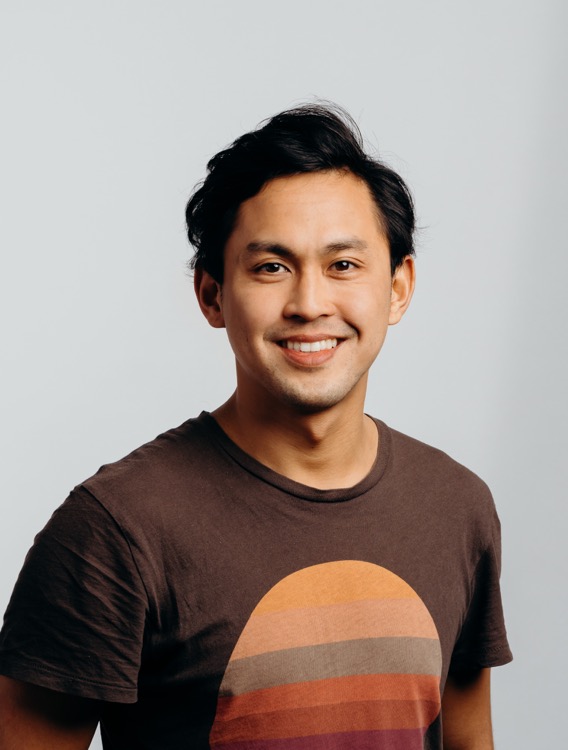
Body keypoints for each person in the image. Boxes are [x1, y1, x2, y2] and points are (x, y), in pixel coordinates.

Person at [0, 103, 512, 749]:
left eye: (343, 265)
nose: (309, 303)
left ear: (398, 286)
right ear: (212, 294)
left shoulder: (457, 507)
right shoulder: (114, 531)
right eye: (271, 266)